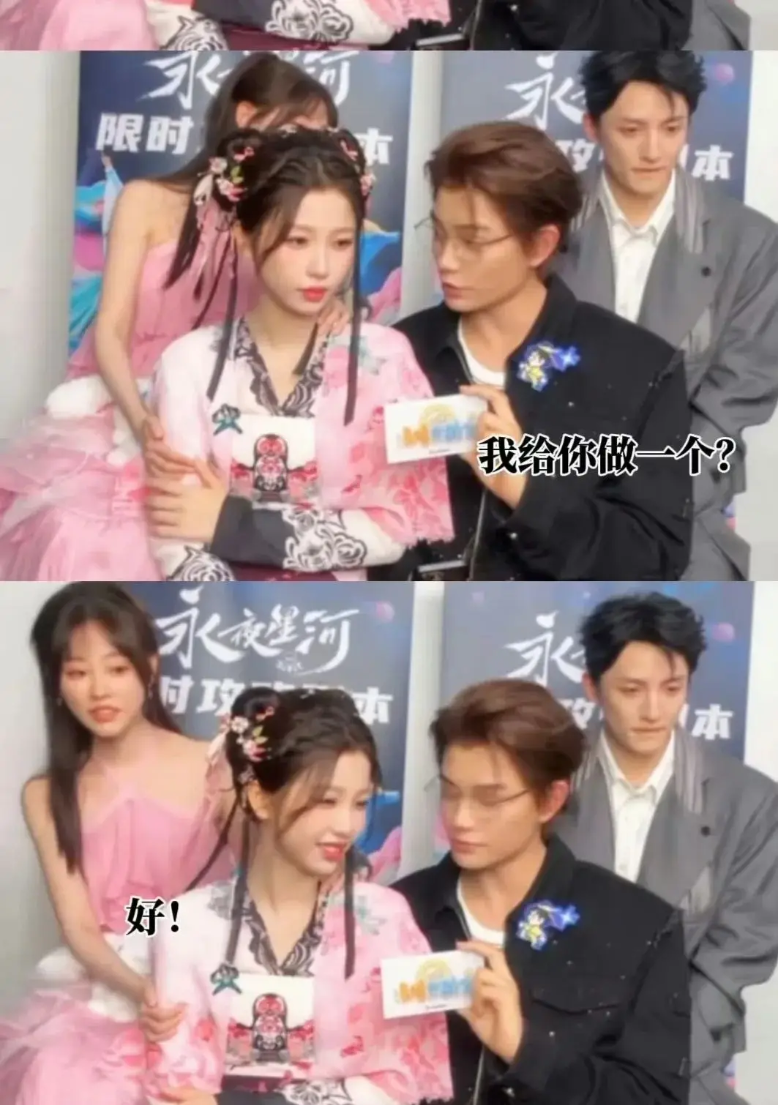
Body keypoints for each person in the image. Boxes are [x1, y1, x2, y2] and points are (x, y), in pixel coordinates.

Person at [0, 55, 344, 582]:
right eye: (300, 130)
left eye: (321, 137)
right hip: (127, 407)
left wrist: (335, 306)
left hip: (225, 422)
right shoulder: (145, 200)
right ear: (247, 117)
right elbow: (110, 330)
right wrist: (143, 423)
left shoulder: (294, 231)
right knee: (81, 536)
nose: (309, 147)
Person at [383, 121, 692, 582]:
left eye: (473, 241)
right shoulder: (397, 352)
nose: (446, 259)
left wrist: (526, 490)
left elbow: (653, 556)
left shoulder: (639, 368)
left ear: (540, 245)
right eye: (439, 233)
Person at [142, 125, 452, 582]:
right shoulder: (188, 362)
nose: (321, 267)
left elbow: (398, 526)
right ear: (244, 236)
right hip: (216, 609)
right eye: (297, 240)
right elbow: (177, 528)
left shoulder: (387, 359)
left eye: (342, 243)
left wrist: (232, 524)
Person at [142, 685, 454, 1105]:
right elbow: (177, 1087)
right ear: (259, 797)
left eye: (360, 803)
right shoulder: (184, 923)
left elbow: (410, 1074)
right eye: (326, 801)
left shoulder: (385, 919)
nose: (347, 826)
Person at [394, 678, 691, 1105]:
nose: (460, 818)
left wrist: (525, 1050)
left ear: (550, 800)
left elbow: (654, 1099)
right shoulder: (398, 913)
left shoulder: (638, 926)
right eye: (450, 792)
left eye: (489, 799)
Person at [0, 582, 237, 1105]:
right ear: (56, 683)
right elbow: (80, 927)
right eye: (77, 673)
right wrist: (142, 990)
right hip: (111, 987)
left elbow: (260, 888)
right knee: (59, 1081)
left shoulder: (214, 764)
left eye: (116, 668)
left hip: (210, 978)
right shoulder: (46, 794)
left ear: (149, 668)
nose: (99, 691)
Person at [555, 51, 778, 580]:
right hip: (555, 498)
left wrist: (655, 492)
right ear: (592, 126)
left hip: (685, 506)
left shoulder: (748, 241)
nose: (654, 150)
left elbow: (736, 396)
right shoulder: (546, 222)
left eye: (672, 128)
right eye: (631, 130)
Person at [554, 591, 778, 1105]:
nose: (654, 711)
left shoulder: (750, 802)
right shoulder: (547, 785)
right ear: (591, 686)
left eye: (672, 688)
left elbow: (736, 957)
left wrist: (655, 1058)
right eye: (631, 690)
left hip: (682, 1062)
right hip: (555, 1059)